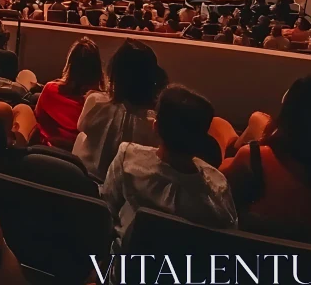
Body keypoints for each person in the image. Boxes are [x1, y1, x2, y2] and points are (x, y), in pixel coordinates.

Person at [221, 76, 311, 247]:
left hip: (256, 252)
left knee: (221, 126)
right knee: (257, 119)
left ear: (291, 121)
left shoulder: (256, 159)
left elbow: (217, 188)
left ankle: (233, 141)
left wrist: (229, 151)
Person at [101, 85, 237, 243]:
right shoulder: (218, 186)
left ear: (155, 126)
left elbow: (107, 208)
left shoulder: (127, 158)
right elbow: (228, 235)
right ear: (202, 138)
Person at [72, 39, 166, 179]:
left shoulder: (96, 102)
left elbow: (81, 127)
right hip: (126, 190)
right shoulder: (155, 123)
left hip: (86, 180)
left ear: (114, 73)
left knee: (81, 136)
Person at [35, 37, 104, 149]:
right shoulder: (100, 105)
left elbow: (37, 118)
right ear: (97, 70)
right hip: (74, 161)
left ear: (70, 65)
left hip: (42, 152)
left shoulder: (50, 89)